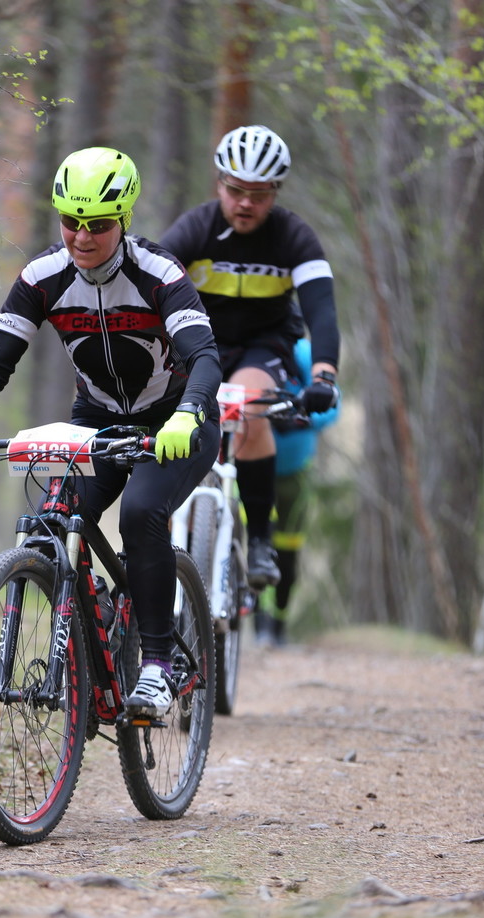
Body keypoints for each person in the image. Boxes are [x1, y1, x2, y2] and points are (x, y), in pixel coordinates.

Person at [0, 146, 221, 717]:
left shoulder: (159, 274)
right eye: (70, 222)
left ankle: (157, 665)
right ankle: (97, 620)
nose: (81, 237)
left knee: (139, 514)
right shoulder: (43, 277)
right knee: (51, 520)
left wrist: (188, 414)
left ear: (124, 220)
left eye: (98, 224)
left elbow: (204, 355)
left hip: (177, 421)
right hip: (99, 421)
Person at [159, 124, 340, 591]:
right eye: (236, 190)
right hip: (199, 342)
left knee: (252, 407)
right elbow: (149, 292)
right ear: (220, 183)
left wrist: (323, 375)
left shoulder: (293, 236)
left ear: (275, 192)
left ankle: (259, 537)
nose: (245, 203)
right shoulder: (195, 229)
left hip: (264, 343)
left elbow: (322, 311)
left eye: (259, 195)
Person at [255, 340, 341, 646]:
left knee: (287, 552)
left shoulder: (304, 353)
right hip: (253, 469)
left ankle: (278, 624)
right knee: (255, 543)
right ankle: (258, 625)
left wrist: (300, 420)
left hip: (295, 471)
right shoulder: (249, 347)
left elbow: (333, 408)